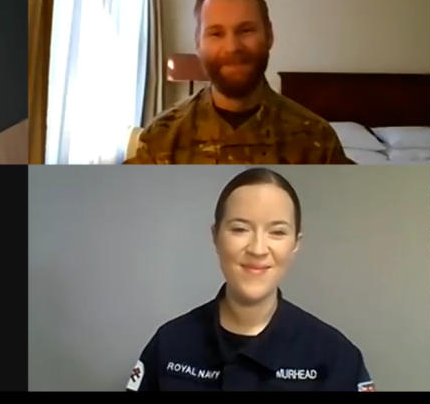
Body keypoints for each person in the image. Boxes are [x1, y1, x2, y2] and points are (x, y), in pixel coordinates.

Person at [125, 167, 373, 390]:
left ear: (295, 244)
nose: (257, 248)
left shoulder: (335, 356)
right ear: (215, 236)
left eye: (277, 232)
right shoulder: (169, 344)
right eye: (240, 229)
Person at [125, 0, 353, 164]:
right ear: (198, 44)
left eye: (246, 30)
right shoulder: (162, 137)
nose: (232, 47)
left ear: (269, 35)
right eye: (216, 33)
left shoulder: (317, 139)